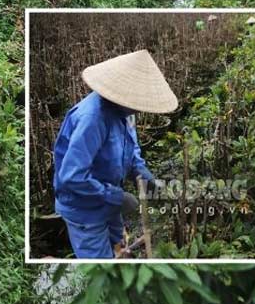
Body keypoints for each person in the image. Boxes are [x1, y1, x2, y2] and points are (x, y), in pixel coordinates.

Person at [52, 49, 176, 259]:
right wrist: (118, 197)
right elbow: (72, 177)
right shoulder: (92, 119)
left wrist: (146, 178)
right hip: (85, 210)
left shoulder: (126, 112)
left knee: (120, 246)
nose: (139, 110)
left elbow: (131, 150)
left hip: (108, 201)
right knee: (101, 266)